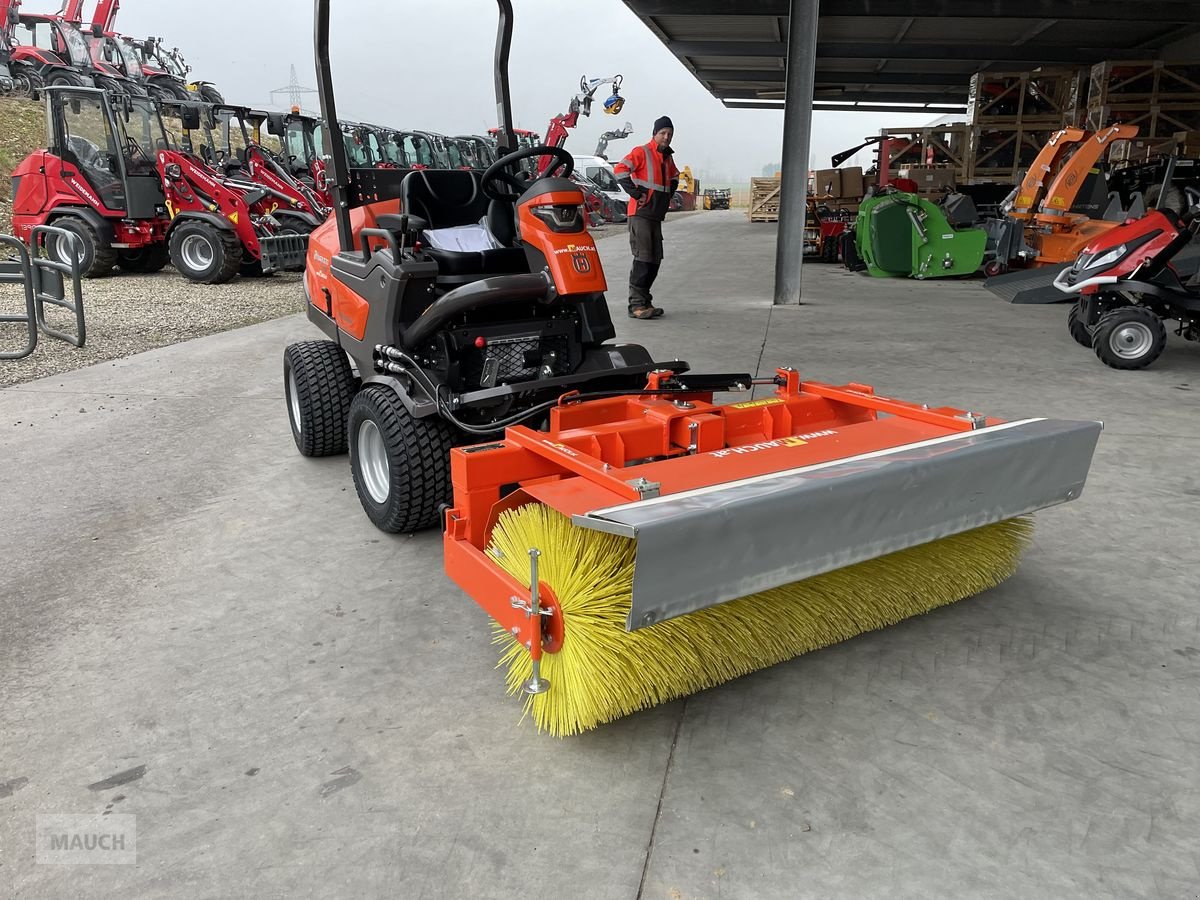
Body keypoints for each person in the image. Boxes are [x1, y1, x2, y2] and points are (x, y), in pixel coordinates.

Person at [613, 116, 679, 319]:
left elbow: (674, 177)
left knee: (654, 261)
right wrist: (636, 193)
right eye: (662, 133)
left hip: (655, 216)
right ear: (654, 134)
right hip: (640, 214)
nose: (666, 137)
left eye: (669, 133)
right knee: (643, 259)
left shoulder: (667, 157)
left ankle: (645, 301)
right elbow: (620, 170)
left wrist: (667, 196)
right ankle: (636, 305)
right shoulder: (641, 152)